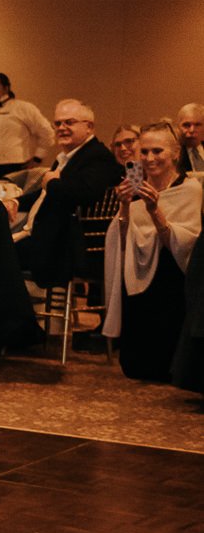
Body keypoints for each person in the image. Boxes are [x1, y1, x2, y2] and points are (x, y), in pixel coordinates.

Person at [103, 122, 202, 381]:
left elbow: (184, 244)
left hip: (172, 271)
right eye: (144, 152)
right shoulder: (135, 184)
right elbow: (123, 237)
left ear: (175, 154)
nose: (149, 159)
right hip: (137, 267)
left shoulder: (189, 189)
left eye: (157, 151)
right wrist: (124, 205)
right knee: (136, 368)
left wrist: (154, 210)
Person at [13, 99, 122, 286]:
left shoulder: (97, 156)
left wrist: (53, 182)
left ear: (89, 127)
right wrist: (15, 201)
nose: (61, 128)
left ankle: (12, 313)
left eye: (69, 122)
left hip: (64, 248)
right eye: (58, 123)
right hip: (47, 239)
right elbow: (45, 193)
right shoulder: (68, 157)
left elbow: (86, 193)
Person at [178, 103, 204, 173]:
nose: (192, 130)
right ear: (178, 127)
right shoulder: (175, 154)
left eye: (197, 125)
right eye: (186, 125)